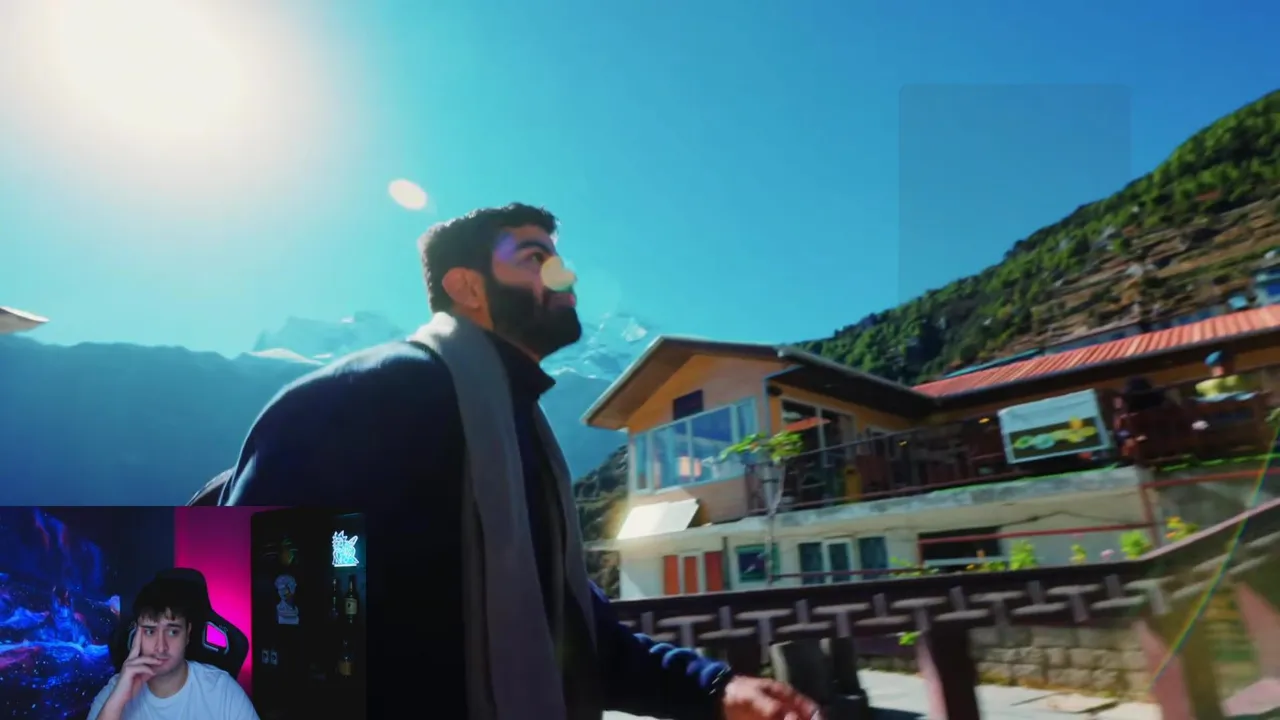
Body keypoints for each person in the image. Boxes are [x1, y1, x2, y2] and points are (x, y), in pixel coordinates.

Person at [196, 204, 822, 720]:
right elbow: (257, 628)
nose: (563, 276)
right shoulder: (368, 399)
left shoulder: (517, 430)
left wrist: (713, 690)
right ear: (466, 287)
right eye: (533, 258)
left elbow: (569, 633)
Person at [87, 578, 258, 720]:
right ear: (136, 634)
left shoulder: (222, 690)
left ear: (188, 634)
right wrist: (119, 699)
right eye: (150, 631)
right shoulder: (116, 690)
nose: (161, 647)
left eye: (172, 632)